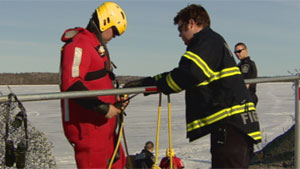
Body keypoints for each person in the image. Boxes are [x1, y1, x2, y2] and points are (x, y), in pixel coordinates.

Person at [124, 4, 262, 169]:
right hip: (236, 126)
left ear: (191, 23)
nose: (180, 35)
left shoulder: (206, 41)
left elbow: (189, 74)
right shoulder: (213, 41)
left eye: (181, 28)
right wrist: (149, 82)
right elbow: (185, 72)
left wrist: (155, 85)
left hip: (231, 127)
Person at [59, 2, 128, 168]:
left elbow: (98, 82)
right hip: (89, 130)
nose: (114, 37)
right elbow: (71, 84)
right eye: (115, 32)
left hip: (105, 129)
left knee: (119, 163)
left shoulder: (94, 46)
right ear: (106, 22)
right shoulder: (79, 44)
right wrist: (102, 107)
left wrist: (115, 99)